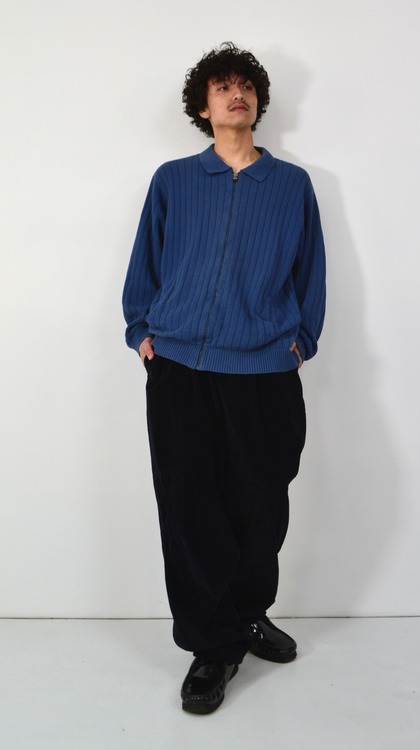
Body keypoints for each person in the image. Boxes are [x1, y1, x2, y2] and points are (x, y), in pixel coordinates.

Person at [123, 42, 326, 714]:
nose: (236, 95)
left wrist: (300, 341)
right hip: (180, 368)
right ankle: (212, 645)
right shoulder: (173, 180)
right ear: (203, 106)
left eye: (245, 86)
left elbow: (311, 270)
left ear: (258, 102)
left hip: (264, 369)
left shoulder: (291, 185)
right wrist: (142, 331)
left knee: (261, 503)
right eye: (221, 87)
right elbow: (146, 262)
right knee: (190, 508)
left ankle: (246, 613)